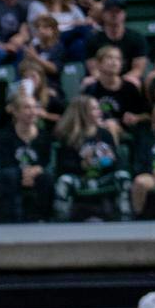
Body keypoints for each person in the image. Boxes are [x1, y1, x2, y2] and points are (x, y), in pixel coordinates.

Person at [54, 93, 132, 221]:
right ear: (83, 113)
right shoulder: (69, 136)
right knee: (64, 181)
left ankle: (125, 216)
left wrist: (111, 161)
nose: (99, 112)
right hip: (81, 179)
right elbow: (62, 166)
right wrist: (82, 165)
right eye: (94, 109)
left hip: (103, 177)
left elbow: (118, 163)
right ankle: (61, 219)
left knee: (123, 176)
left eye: (98, 108)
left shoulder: (105, 134)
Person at [0, 91, 56, 223]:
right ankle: (14, 221)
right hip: (12, 174)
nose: (32, 111)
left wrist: (37, 170)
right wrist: (23, 173)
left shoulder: (45, 136)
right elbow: (4, 163)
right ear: (15, 112)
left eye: (35, 107)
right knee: (10, 175)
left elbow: (49, 162)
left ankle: (43, 219)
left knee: (46, 177)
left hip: (37, 175)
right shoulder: (4, 136)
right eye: (27, 107)